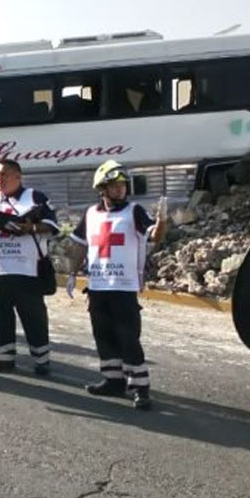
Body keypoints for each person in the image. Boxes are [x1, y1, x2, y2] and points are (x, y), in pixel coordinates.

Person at [67, 160, 168, 410]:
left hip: (124, 287)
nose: (120, 190)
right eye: (114, 186)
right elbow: (80, 244)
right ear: (102, 188)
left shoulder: (133, 211)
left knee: (128, 338)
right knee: (103, 336)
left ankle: (140, 387)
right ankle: (113, 380)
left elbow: (154, 236)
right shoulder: (90, 214)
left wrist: (163, 220)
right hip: (98, 287)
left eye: (123, 186)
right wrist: (71, 273)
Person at [0, 159, 57, 375]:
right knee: (0, 315)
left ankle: (41, 359)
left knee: (33, 316)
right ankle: (4, 358)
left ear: (18, 176)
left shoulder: (35, 197)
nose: (0, 178)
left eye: (5, 174)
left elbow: (53, 225)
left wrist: (31, 227)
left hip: (27, 268)